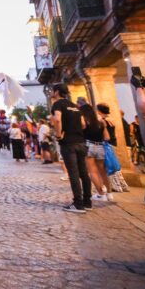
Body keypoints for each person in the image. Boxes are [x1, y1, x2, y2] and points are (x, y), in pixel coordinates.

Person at [51, 83, 92, 214]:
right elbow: (83, 124)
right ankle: (87, 202)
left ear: (56, 92)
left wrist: (59, 135)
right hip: (80, 142)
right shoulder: (75, 106)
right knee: (84, 173)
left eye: (53, 91)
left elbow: (57, 119)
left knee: (73, 173)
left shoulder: (58, 104)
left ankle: (78, 204)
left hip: (68, 143)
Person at [82, 101, 113, 202]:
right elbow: (107, 137)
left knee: (93, 171)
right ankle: (109, 193)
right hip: (100, 147)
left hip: (89, 146)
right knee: (103, 171)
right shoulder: (101, 122)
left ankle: (101, 195)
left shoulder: (84, 122)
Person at [97, 104, 129, 193]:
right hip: (112, 143)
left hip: (106, 144)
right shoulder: (111, 120)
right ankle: (121, 185)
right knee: (114, 165)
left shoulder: (103, 121)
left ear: (99, 111)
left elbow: (105, 134)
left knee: (108, 165)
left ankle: (114, 186)